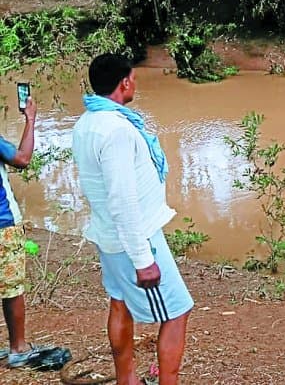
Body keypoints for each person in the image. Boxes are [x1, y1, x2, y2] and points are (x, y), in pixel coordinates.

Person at [72, 54, 193, 385]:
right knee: (177, 310)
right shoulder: (117, 131)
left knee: (121, 302)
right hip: (135, 239)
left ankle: (127, 379)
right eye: (134, 79)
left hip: (109, 235)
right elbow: (122, 198)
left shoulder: (87, 123)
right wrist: (143, 259)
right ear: (124, 83)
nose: (135, 84)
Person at [0, 93, 67, 369]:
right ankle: (18, 349)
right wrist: (30, 119)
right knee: (12, 287)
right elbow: (23, 158)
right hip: (3, 224)